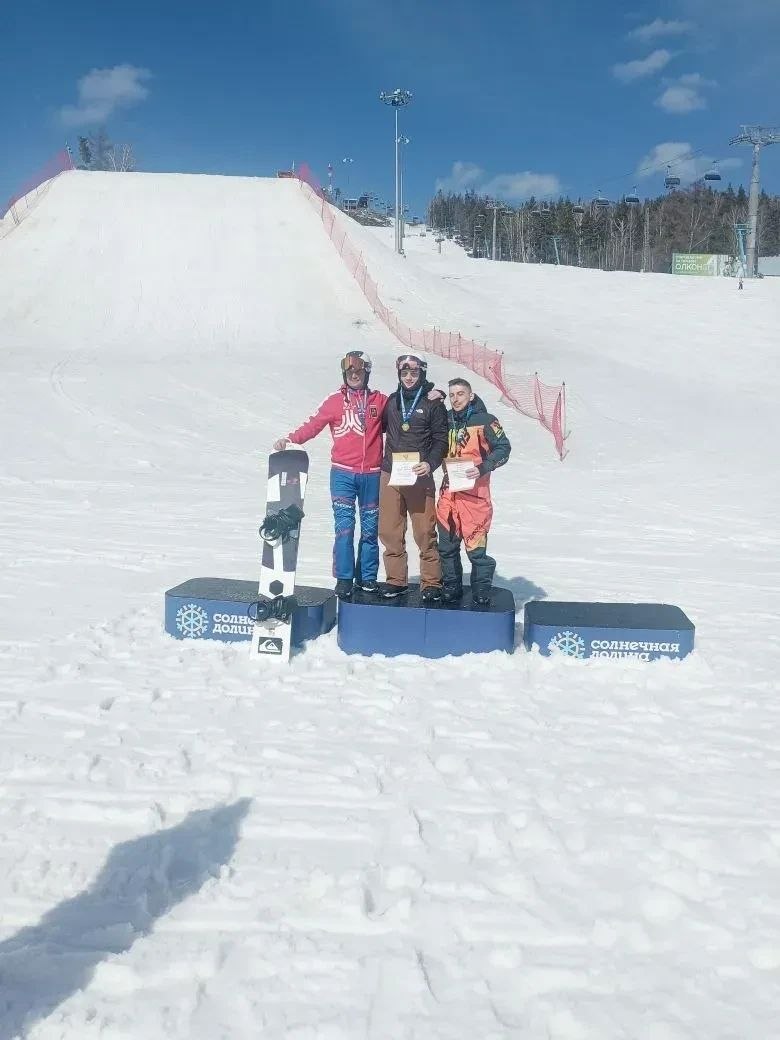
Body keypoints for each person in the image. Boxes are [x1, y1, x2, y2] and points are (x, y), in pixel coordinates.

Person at [273, 351, 385, 599]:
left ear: (367, 372)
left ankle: (367, 577)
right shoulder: (334, 401)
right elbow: (313, 425)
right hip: (343, 475)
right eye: (349, 372)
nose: (354, 376)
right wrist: (290, 440)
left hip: (373, 475)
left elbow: (402, 418)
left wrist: (433, 395)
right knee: (344, 529)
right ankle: (344, 578)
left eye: (358, 371)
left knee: (370, 530)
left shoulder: (380, 400)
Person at [379, 352, 449, 602]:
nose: (409, 377)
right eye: (404, 373)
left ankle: (431, 582)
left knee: (424, 531)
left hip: (419, 475)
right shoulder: (392, 401)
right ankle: (396, 580)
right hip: (391, 473)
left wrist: (430, 464)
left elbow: (442, 440)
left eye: (414, 373)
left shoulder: (434, 404)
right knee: (389, 530)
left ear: (422, 373)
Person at [436, 377, 511, 606]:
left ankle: (481, 589)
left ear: (470, 395)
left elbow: (504, 448)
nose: (456, 399)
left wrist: (483, 468)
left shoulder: (486, 420)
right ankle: (452, 587)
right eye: (452, 395)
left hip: (475, 496)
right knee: (447, 547)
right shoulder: (446, 420)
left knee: (476, 550)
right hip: (449, 495)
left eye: (460, 394)